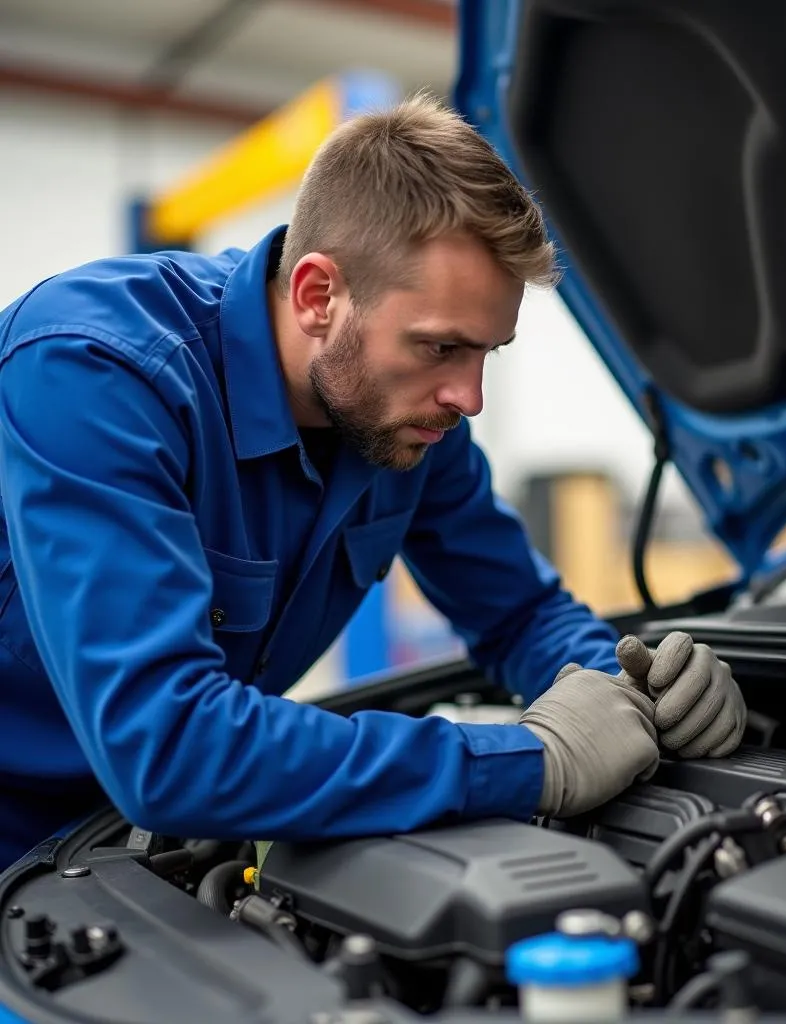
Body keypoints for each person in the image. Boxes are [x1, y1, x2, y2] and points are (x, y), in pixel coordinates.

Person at [0, 95, 746, 873]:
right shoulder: (94, 375)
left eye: (486, 354)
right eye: (439, 348)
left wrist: (632, 690)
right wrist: (529, 760)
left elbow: (519, 614)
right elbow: (172, 748)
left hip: (132, 842)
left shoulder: (408, 419)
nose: (469, 397)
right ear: (318, 296)